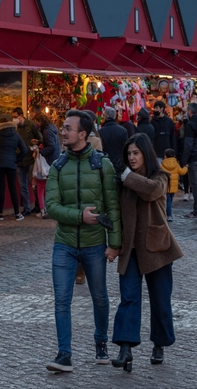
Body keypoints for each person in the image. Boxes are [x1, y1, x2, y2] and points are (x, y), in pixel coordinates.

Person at [45, 109, 121, 373]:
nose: (62, 132)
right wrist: (80, 216)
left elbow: (113, 208)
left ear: (83, 134)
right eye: (62, 127)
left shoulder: (103, 165)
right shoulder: (58, 166)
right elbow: (51, 207)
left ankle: (101, 343)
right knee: (61, 300)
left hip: (95, 245)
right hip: (64, 244)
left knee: (99, 298)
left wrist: (114, 244)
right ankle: (64, 354)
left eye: (67, 128)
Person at [110, 134, 183, 372]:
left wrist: (126, 176)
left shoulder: (160, 175)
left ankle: (160, 344)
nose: (131, 158)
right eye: (128, 154)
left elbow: (151, 191)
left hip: (157, 247)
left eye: (136, 153)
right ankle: (125, 348)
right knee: (129, 298)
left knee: (160, 299)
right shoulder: (124, 181)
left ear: (145, 154)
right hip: (130, 248)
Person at [13, 107, 42, 216]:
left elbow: (40, 138)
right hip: (19, 161)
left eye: (15, 117)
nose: (14, 119)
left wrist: (35, 146)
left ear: (21, 115)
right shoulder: (15, 128)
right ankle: (26, 208)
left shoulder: (31, 125)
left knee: (34, 184)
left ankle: (38, 205)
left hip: (30, 159)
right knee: (23, 186)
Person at [34, 112, 59, 217]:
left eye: (36, 122)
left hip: (48, 162)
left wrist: (40, 152)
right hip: (54, 160)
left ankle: (44, 210)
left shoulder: (46, 131)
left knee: (42, 187)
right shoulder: (52, 128)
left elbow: (51, 146)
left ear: (40, 121)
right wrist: (40, 141)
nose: (36, 124)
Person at [159, 148, 187, 222]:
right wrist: (186, 167)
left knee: (167, 200)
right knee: (170, 200)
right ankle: (168, 213)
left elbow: (159, 173)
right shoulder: (176, 164)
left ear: (165, 156)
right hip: (174, 186)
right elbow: (182, 172)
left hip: (166, 186)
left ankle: (168, 215)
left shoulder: (162, 165)